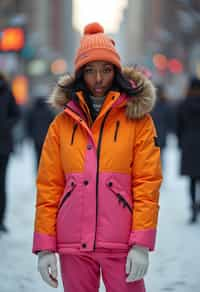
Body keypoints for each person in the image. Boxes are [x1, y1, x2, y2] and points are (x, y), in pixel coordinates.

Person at [32, 22, 162, 292]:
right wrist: (45, 247)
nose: (98, 79)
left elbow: (147, 184)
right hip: (73, 245)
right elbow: (49, 187)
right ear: (80, 74)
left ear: (116, 72)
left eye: (105, 69)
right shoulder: (61, 124)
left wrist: (141, 243)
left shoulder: (137, 120)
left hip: (121, 243)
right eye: (90, 71)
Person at [177, 77, 200, 223]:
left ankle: (192, 206)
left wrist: (181, 142)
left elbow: (178, 126)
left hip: (189, 144)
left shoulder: (184, 104)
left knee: (192, 180)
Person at [0, 72, 20, 232]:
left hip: (3, 146)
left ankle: (0, 219)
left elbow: (16, 114)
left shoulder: (6, 90)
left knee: (1, 183)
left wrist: (5, 126)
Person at [25, 95, 55, 168]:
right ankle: (44, 171)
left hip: (36, 139)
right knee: (46, 157)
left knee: (37, 156)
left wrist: (30, 135)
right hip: (46, 138)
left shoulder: (32, 112)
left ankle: (38, 171)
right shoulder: (48, 112)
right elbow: (53, 124)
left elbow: (28, 124)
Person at [151, 85, 171, 167]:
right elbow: (169, 121)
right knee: (160, 156)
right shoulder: (165, 105)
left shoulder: (150, 105)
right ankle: (159, 173)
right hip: (161, 134)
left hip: (151, 135)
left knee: (151, 157)